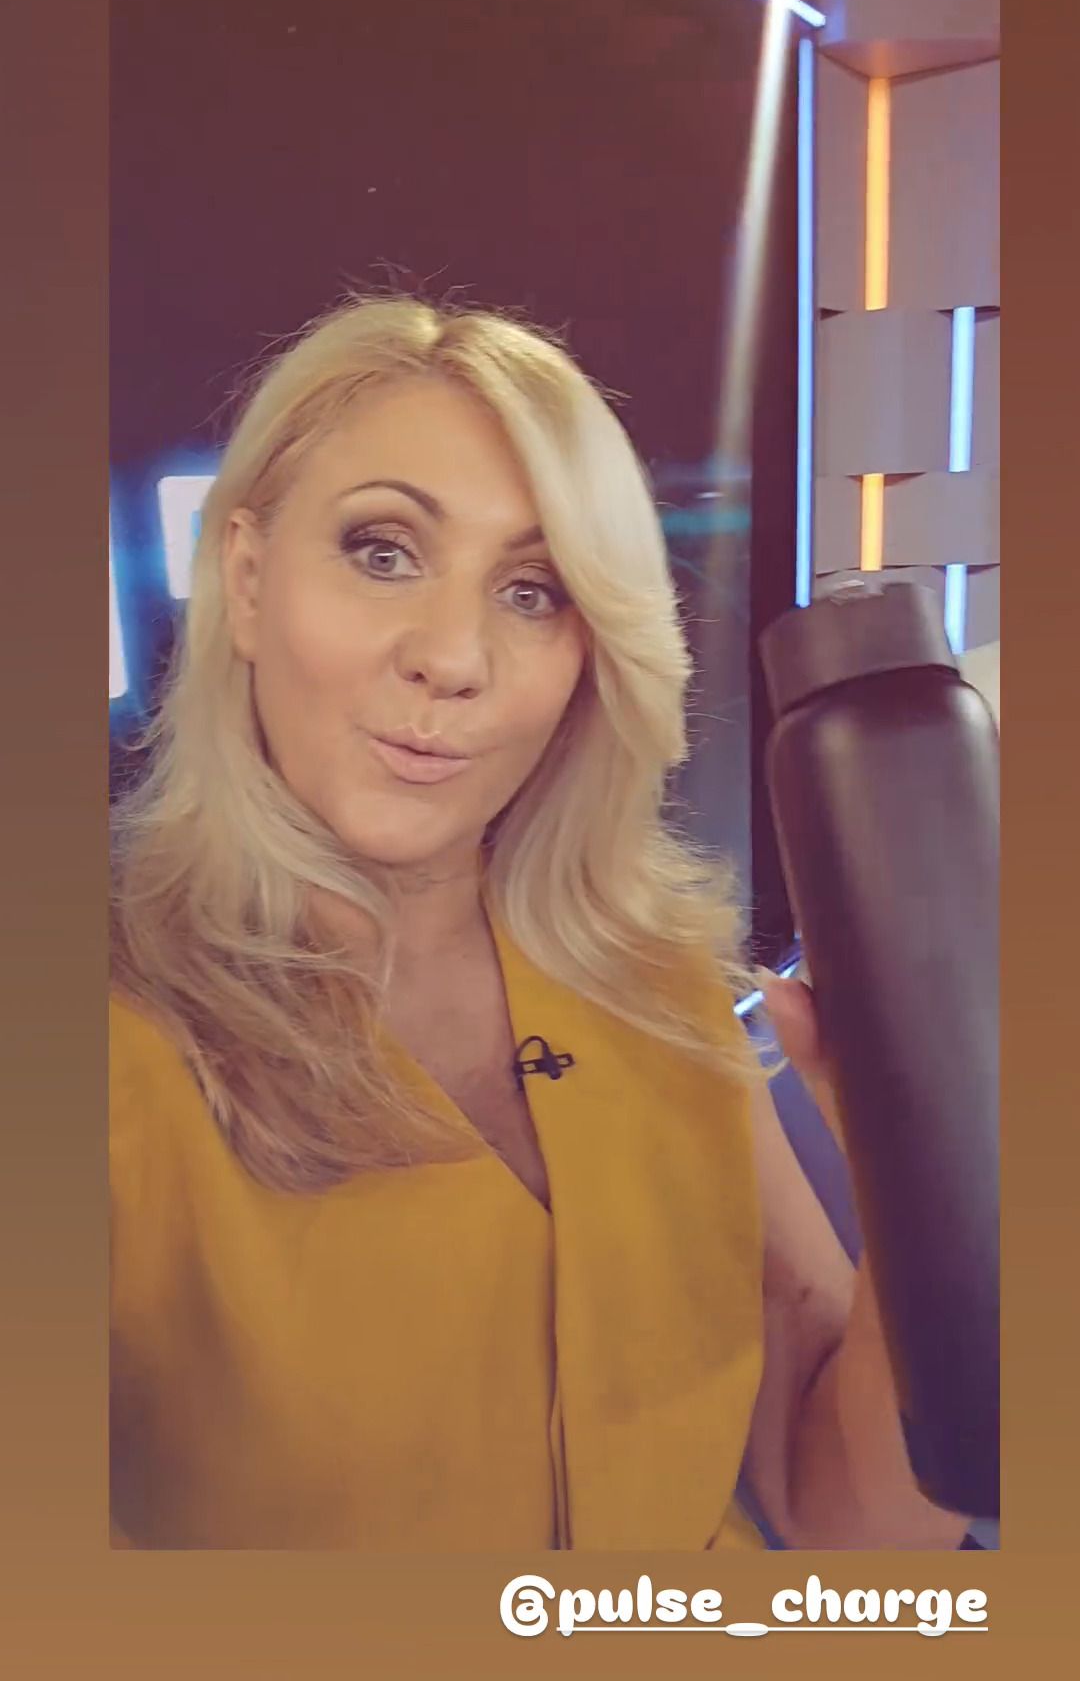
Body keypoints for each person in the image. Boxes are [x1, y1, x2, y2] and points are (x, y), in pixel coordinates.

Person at [109, 293, 972, 1551]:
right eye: (383, 551)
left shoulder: (661, 987)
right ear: (244, 581)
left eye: (533, 590)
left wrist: (925, 1188)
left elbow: (852, 1525)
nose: (454, 657)